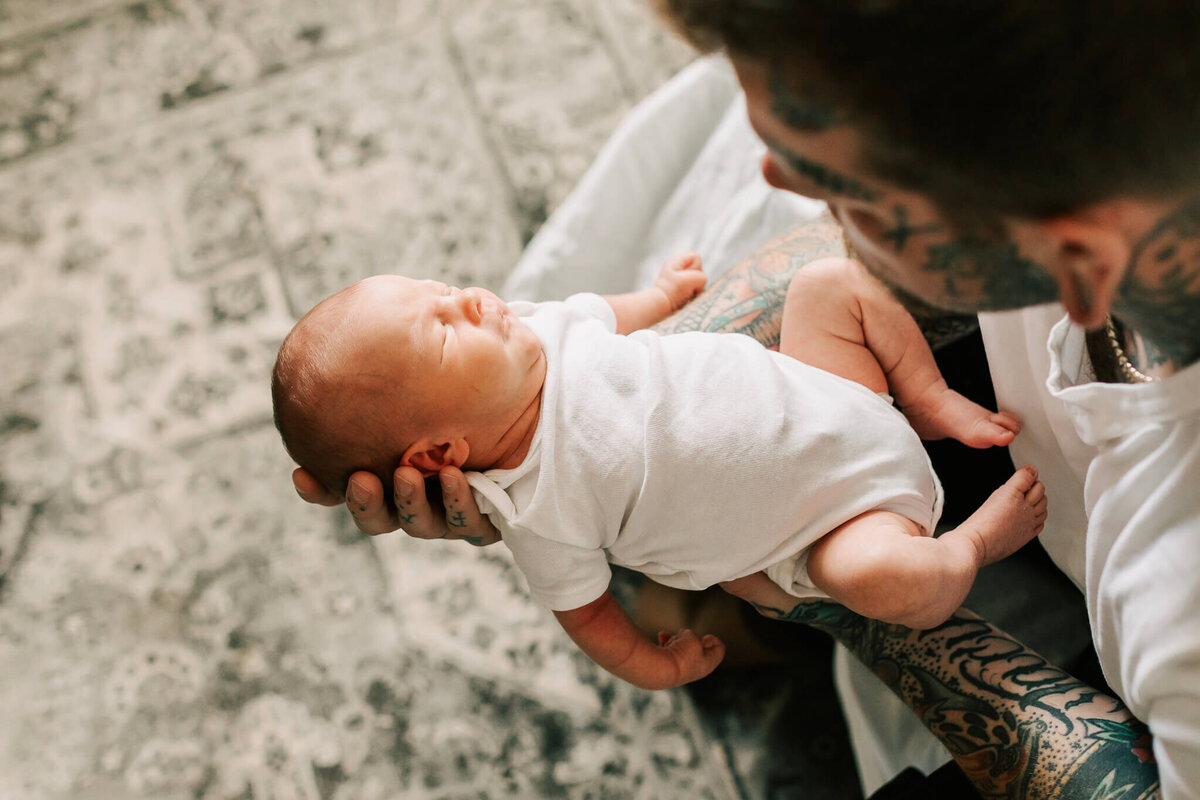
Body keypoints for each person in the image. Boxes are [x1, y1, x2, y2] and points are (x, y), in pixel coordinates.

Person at [292, 3, 1200, 797]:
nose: (776, 178)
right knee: (815, 290)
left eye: (849, 191)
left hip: (862, 532)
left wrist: (820, 589)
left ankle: (919, 563)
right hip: (844, 407)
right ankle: (916, 419)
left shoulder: (1182, 610)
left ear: (1075, 264)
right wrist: (526, 460)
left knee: (843, 582)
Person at [273, 253, 1044, 691]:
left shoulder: (539, 329)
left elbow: (608, 309)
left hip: (837, 386)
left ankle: (932, 396)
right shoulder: (534, 506)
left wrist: (664, 295)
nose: (473, 299)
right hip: (841, 523)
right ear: (437, 457)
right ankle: (974, 543)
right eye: (445, 328)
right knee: (886, 585)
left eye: (444, 291)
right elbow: (586, 613)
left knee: (826, 283)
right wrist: (652, 664)